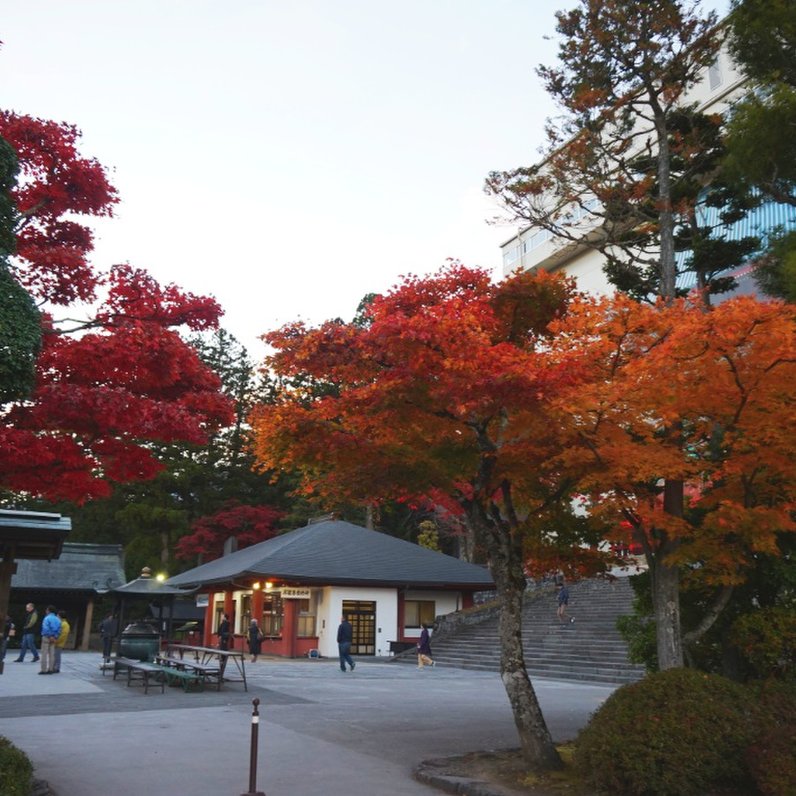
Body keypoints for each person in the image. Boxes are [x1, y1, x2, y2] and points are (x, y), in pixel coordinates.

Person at [39, 605, 61, 674]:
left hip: (46, 637)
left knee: (44, 654)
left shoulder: (47, 618)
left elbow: (45, 628)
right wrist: (55, 636)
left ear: (48, 610)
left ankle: (43, 669)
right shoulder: (58, 619)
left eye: (46, 610)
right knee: (52, 654)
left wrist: (49, 635)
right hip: (54, 638)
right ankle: (51, 669)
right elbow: (59, 630)